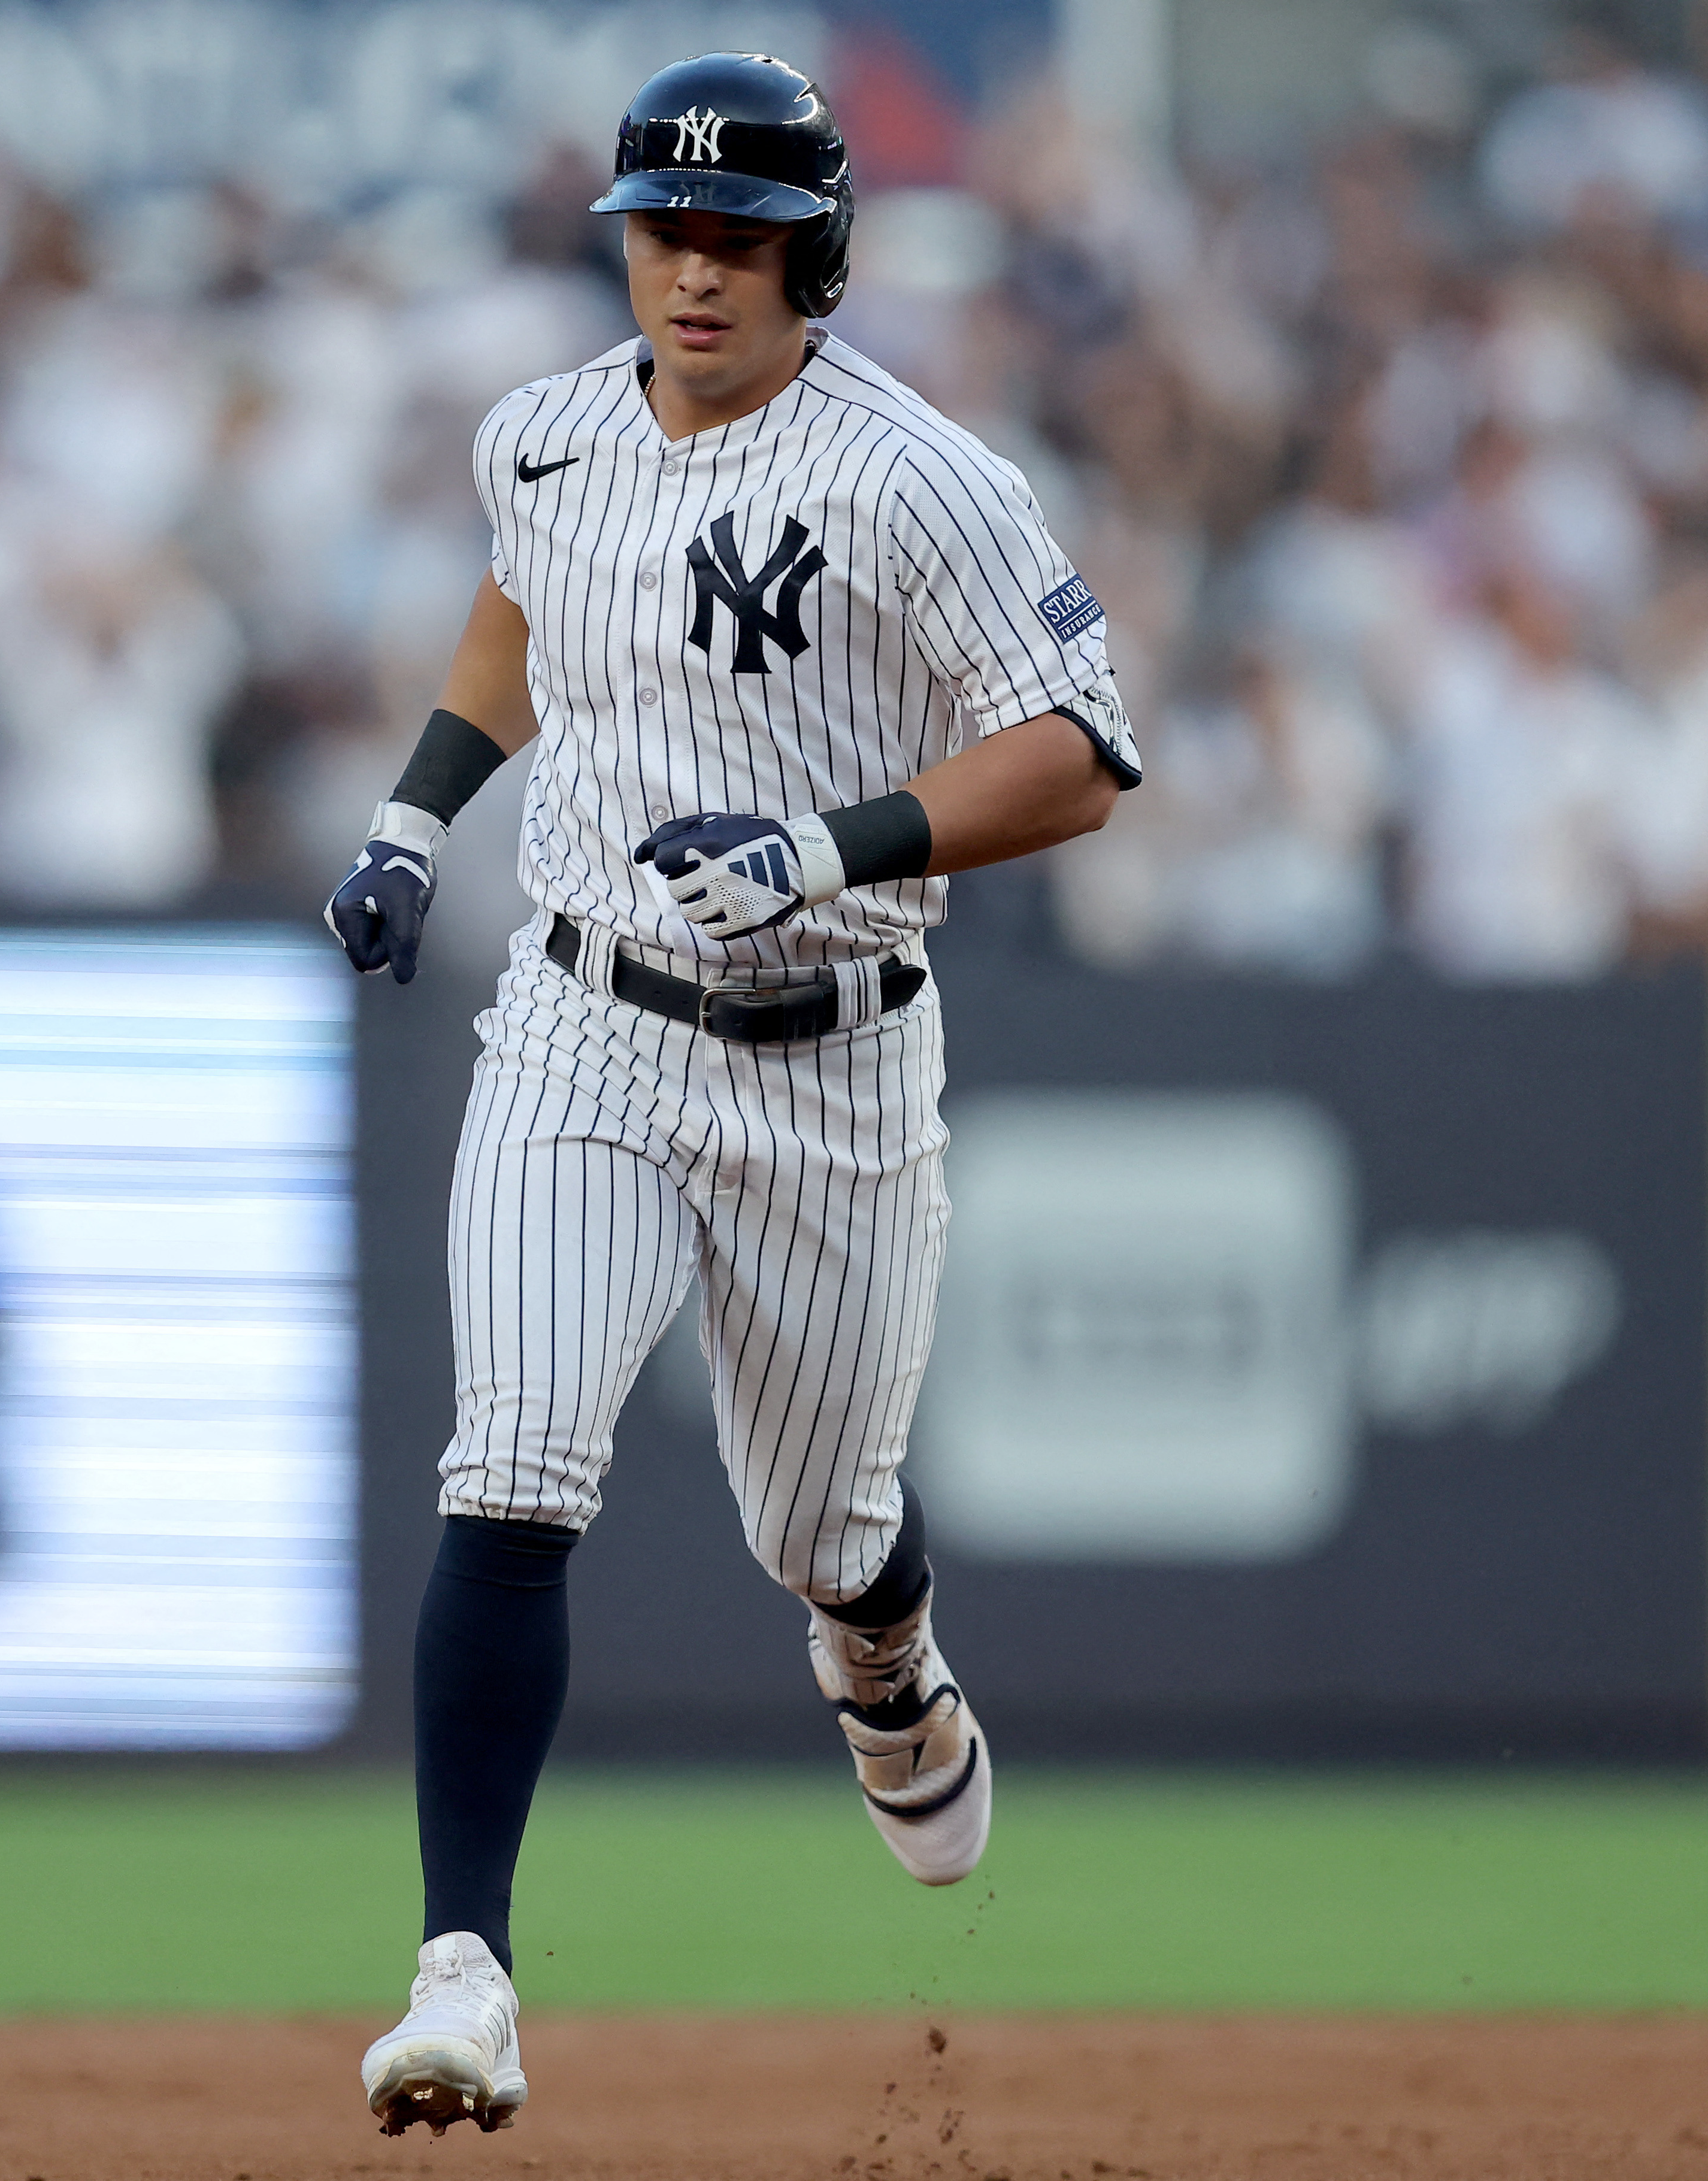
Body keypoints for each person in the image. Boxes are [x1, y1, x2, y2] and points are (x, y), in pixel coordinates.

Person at [320, 52, 1138, 2138]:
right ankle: (464, 1974)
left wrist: (830, 843)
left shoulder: (915, 475)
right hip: (586, 1013)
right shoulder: (550, 433)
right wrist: (420, 819)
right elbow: (529, 607)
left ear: (821, 254)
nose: (694, 268)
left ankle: (884, 1657)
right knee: (511, 1462)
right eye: (663, 228)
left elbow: (1082, 747)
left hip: (836, 1054)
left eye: (741, 236)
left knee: (822, 1521)